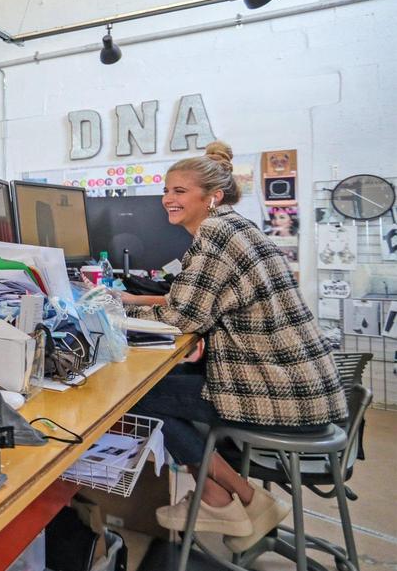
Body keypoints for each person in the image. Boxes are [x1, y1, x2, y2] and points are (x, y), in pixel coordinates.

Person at [119, 142, 347, 551]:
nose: (168, 199)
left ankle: (226, 498)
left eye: (180, 191)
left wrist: (112, 321)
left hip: (280, 393)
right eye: (166, 191)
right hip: (302, 385)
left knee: (132, 397)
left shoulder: (215, 233)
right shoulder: (234, 227)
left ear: (213, 196)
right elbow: (202, 301)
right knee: (163, 384)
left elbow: (182, 318)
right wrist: (137, 303)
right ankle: (239, 498)